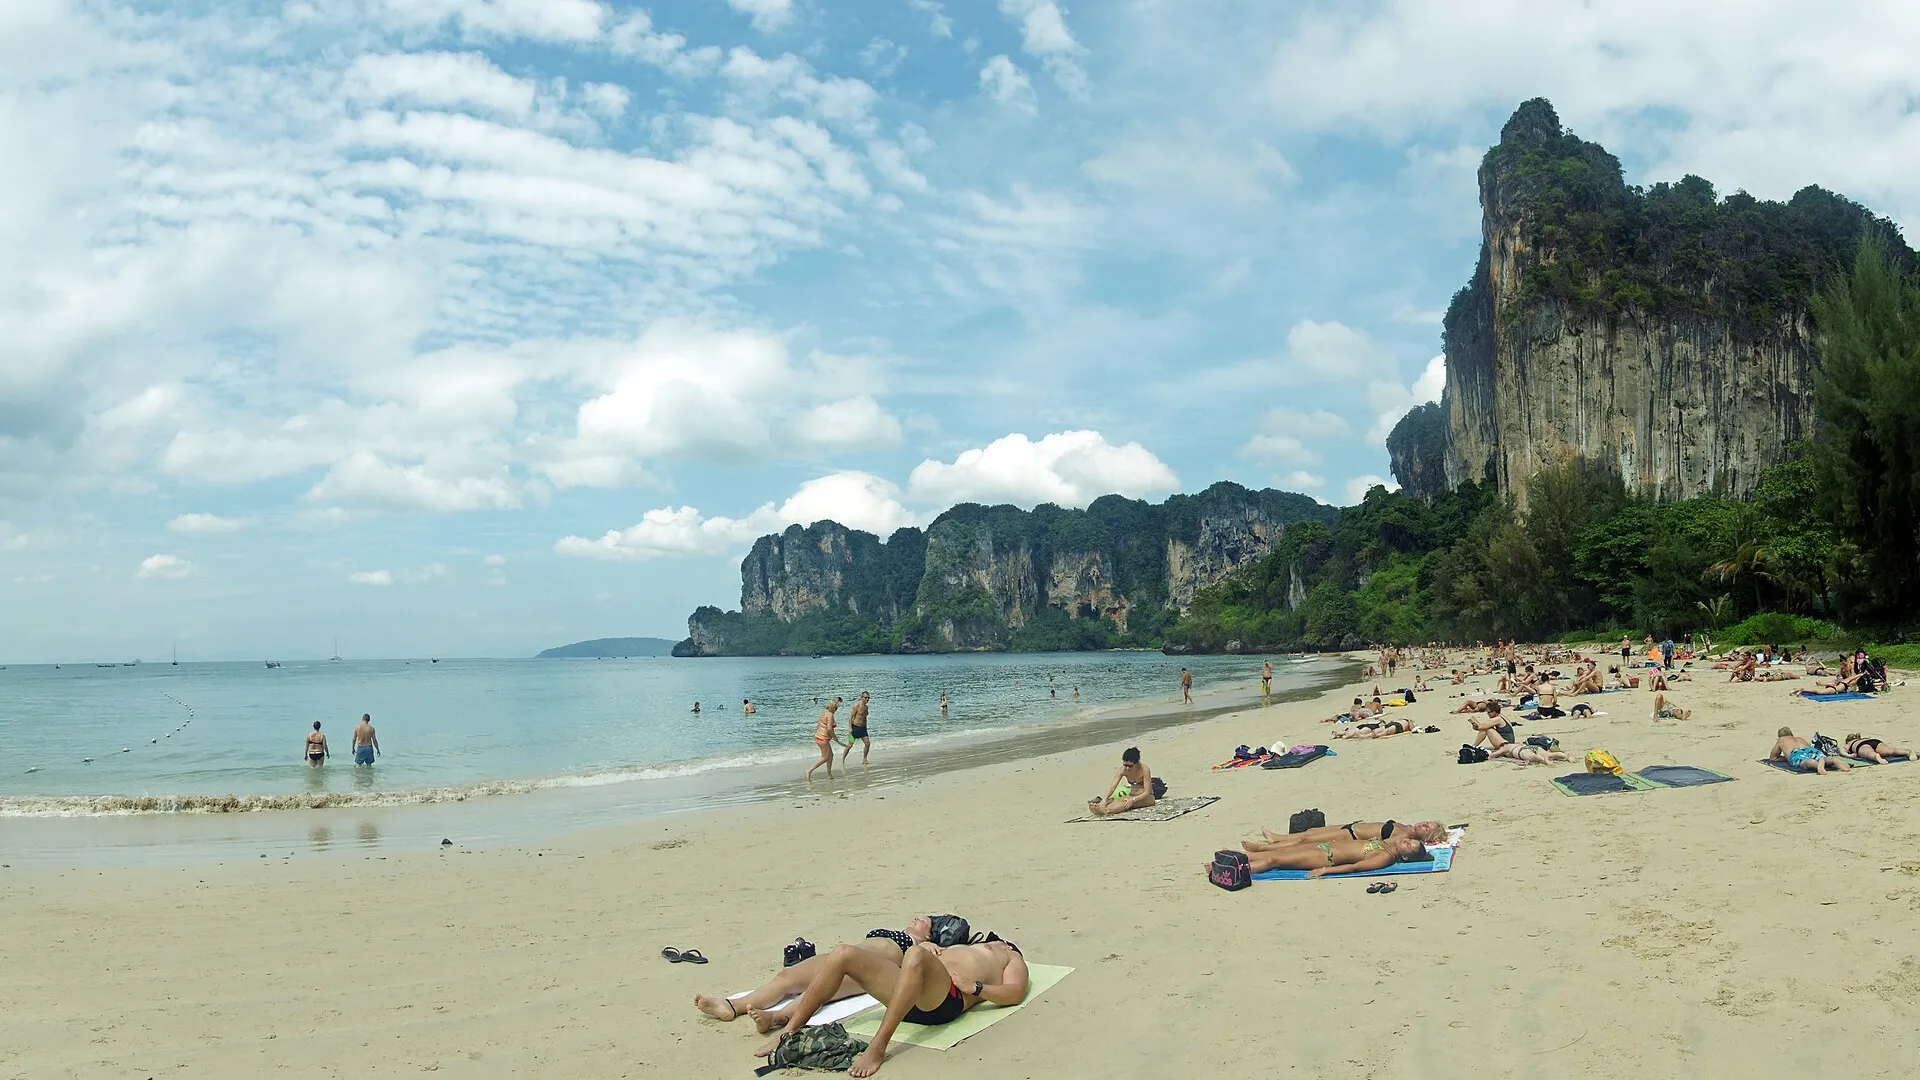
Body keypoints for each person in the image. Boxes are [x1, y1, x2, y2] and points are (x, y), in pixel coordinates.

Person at [754, 937, 1030, 1077]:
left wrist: (978, 988)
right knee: (843, 953)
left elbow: (1015, 992)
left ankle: (878, 1047)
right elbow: (921, 954)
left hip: (944, 1000)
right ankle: (788, 1030)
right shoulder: (966, 946)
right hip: (908, 989)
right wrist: (929, 946)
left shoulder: (1010, 956)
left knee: (916, 954)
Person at [693, 917, 935, 1026]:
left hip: (864, 970)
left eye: (924, 920)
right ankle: (731, 1005)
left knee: (817, 990)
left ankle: (777, 1017)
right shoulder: (894, 931)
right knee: (786, 978)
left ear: (929, 934)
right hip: (843, 955)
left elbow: (928, 964)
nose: (916, 918)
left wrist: (928, 946)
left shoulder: (922, 945)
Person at [1233, 834, 1434, 876]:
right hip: (1323, 846)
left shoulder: (1385, 857)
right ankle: (1234, 858)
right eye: (1409, 840)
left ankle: (1237, 870)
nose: (1406, 841)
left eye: (1409, 845)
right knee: (1279, 852)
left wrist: (1324, 870)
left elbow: (1355, 868)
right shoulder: (1387, 846)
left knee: (1275, 860)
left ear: (1406, 857)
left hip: (1324, 857)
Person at [1248, 819, 1446, 850]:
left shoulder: (1405, 837)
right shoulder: (1407, 827)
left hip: (1350, 836)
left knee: (1305, 841)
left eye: (1428, 828)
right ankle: (1277, 837)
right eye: (1428, 822)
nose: (1425, 824)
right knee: (1310, 832)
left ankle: (1266, 848)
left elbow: (1384, 844)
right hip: (1350, 827)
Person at [1088, 747, 1155, 816]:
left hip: (1147, 797)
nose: (1127, 768)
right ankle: (1102, 807)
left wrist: (1133, 800)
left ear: (1137, 763)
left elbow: (1147, 792)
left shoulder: (1144, 770)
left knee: (1125, 803)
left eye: (1130, 766)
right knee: (1119, 800)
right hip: (1132, 795)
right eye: (1125, 765)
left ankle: (1107, 811)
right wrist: (1104, 799)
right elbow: (1113, 786)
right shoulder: (1122, 770)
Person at [1769, 727, 1851, 774]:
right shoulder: (1800, 738)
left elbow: (1773, 757)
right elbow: (1808, 749)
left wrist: (1786, 758)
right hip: (1810, 749)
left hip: (1796, 753)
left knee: (1806, 762)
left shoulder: (1781, 740)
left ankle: (1817, 765)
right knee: (1819, 757)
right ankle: (1831, 761)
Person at [807, 697, 842, 780]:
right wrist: (835, 737)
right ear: (832, 707)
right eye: (835, 708)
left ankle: (829, 774)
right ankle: (809, 771)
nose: (836, 710)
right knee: (825, 757)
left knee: (831, 755)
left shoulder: (824, 713)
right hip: (823, 739)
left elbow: (820, 725)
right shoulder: (830, 715)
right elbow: (829, 728)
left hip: (819, 737)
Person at [842, 691, 873, 766]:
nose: (867, 699)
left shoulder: (866, 707)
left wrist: (865, 727)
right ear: (861, 697)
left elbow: (865, 718)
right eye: (865, 697)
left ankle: (865, 759)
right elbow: (850, 717)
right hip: (855, 727)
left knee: (867, 744)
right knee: (850, 745)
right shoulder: (857, 705)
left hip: (863, 729)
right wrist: (850, 728)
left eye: (868, 698)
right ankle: (842, 759)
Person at [1843, 733, 1917, 764]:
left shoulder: (1850, 743)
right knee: (1890, 751)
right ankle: (1908, 752)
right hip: (1875, 741)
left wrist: (1849, 755)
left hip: (1862, 745)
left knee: (1869, 753)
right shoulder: (1865, 738)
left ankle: (1877, 757)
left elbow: (1842, 751)